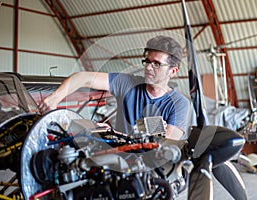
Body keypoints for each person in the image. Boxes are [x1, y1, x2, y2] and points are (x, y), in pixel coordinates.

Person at [39, 35, 192, 140]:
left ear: (173, 70)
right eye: (147, 61)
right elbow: (83, 78)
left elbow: (166, 148)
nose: (149, 68)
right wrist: (55, 98)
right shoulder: (126, 83)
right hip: (117, 158)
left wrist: (115, 133)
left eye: (157, 64)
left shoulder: (180, 104)